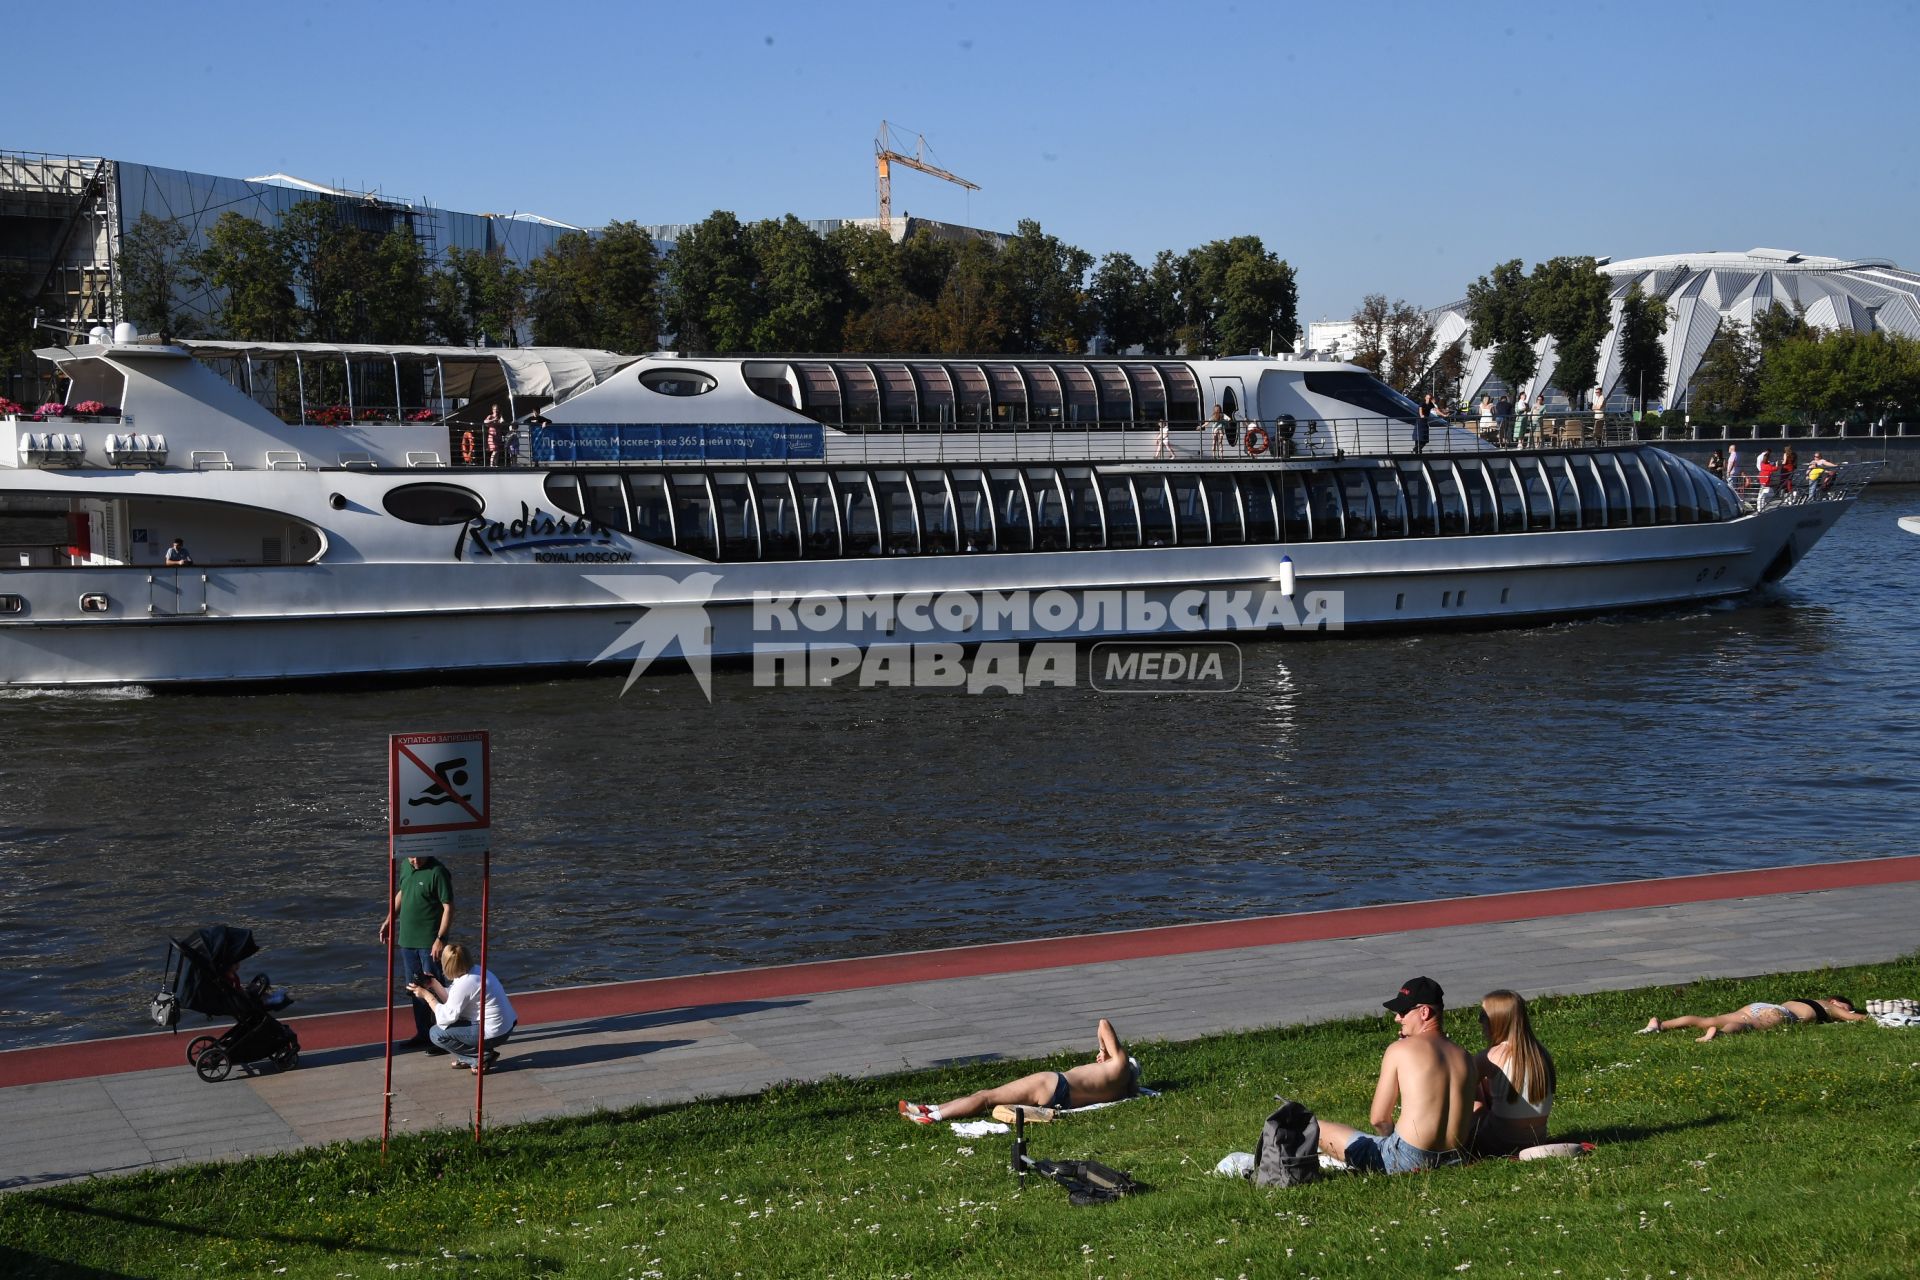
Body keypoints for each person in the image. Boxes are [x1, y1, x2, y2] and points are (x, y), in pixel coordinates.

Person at [1318, 976, 1473, 1174]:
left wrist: (1390, 1140)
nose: (1397, 1018)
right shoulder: (1465, 1056)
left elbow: (1379, 1119)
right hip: (1455, 1157)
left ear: (1424, 1012)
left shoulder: (1400, 1050)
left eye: (1403, 1012)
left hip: (1408, 1158)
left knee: (1315, 1128)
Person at [898, 1018, 1140, 1123]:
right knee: (986, 1094)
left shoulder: (1118, 1064)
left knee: (986, 1097)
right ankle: (930, 1108)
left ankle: (933, 1116)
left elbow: (1103, 1023)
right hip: (1060, 1100)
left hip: (1052, 1083)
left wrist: (1104, 1050)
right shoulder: (1119, 1090)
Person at [378, 853, 455, 1049]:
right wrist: (389, 920)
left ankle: (442, 1036)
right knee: (414, 988)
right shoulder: (405, 865)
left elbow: (448, 907)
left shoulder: (437, 872)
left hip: (430, 943)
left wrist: (440, 939)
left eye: (419, 858)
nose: (415, 862)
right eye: (412, 858)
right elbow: (402, 893)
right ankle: (423, 1033)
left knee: (435, 988)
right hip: (408, 941)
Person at [1470, 990, 1555, 1156]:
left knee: (1470, 1087)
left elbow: (1458, 1089)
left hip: (1498, 1142)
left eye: (1483, 1016)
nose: (1480, 1022)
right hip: (1536, 1139)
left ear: (1497, 1021)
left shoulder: (1489, 1057)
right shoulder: (1541, 1053)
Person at [411, 941, 517, 1073]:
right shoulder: (475, 971)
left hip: (494, 1033)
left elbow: (445, 1017)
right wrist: (434, 984)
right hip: (504, 1027)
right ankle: (473, 1055)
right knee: (447, 1022)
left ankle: (479, 1057)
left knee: (436, 1033)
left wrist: (427, 996)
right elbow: (453, 1000)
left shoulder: (466, 982)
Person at [1638, 996, 1868, 1042]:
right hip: (1778, 1015)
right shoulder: (1829, 1007)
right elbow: (1856, 1019)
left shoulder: (1803, 999)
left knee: (1707, 1018)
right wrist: (1867, 1016)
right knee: (1746, 1027)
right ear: (1836, 1001)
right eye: (1846, 1006)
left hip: (1760, 1006)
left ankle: (1660, 1025)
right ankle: (1719, 1035)